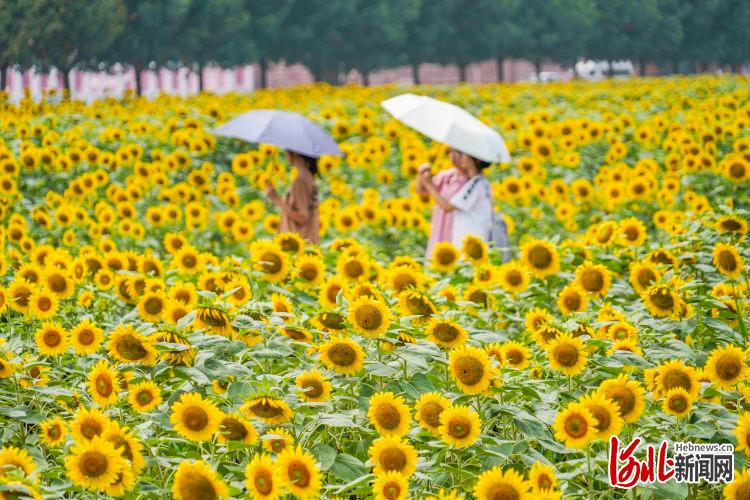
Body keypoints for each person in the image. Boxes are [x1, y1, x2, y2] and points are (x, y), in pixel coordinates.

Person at [418, 148, 493, 254]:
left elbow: (447, 206)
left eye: (463, 154)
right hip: (467, 241)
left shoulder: (477, 184)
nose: (459, 157)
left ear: (475, 160)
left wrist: (429, 184)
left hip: (472, 242)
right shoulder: (476, 182)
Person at [265, 150, 320, 244]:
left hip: (298, 244)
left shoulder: (300, 181)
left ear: (294, 153)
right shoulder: (308, 176)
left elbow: (302, 217)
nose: (285, 155)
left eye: (286, 151)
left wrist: (276, 198)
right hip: (309, 240)